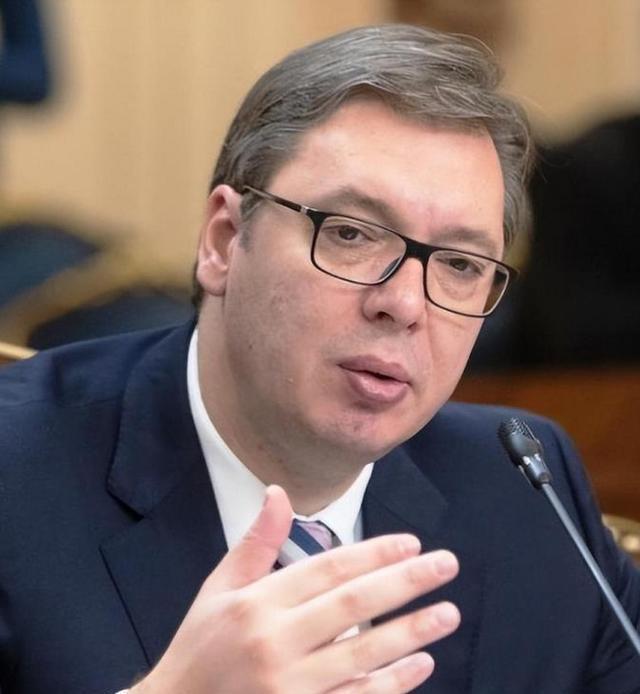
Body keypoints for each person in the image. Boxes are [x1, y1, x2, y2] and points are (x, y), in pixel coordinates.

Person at [0, 24, 638, 694]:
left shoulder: (523, 486)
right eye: (352, 234)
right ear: (223, 240)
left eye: (459, 264)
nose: (405, 303)